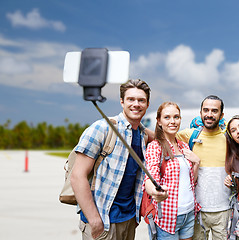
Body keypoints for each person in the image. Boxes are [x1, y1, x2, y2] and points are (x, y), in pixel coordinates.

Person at [70, 79, 162, 240]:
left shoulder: (142, 135)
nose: (136, 104)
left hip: (128, 220)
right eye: (131, 99)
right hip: (102, 220)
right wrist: (94, 220)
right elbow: (77, 176)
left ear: (147, 104)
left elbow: (164, 139)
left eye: (141, 100)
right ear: (122, 102)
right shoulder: (101, 128)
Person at [144, 101, 201, 239]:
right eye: (167, 117)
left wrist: (197, 163)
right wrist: (154, 192)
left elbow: (191, 182)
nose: (173, 121)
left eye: (176, 117)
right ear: (159, 121)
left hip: (189, 213)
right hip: (168, 216)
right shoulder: (155, 147)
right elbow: (150, 178)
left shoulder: (184, 146)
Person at [176, 95, 230, 240]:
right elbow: (161, 138)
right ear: (200, 113)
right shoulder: (189, 135)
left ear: (221, 115)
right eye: (206, 110)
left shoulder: (229, 137)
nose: (209, 114)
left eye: (214, 111)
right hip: (197, 210)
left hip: (224, 210)